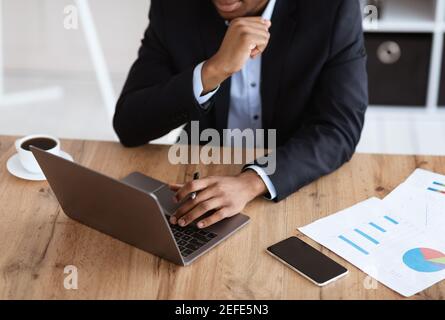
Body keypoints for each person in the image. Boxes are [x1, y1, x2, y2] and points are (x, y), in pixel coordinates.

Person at [113, 0, 368, 229]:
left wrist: (253, 181)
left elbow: (339, 128)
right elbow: (129, 124)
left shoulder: (334, 8)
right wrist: (213, 71)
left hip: (294, 174)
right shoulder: (173, 6)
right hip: (202, 168)